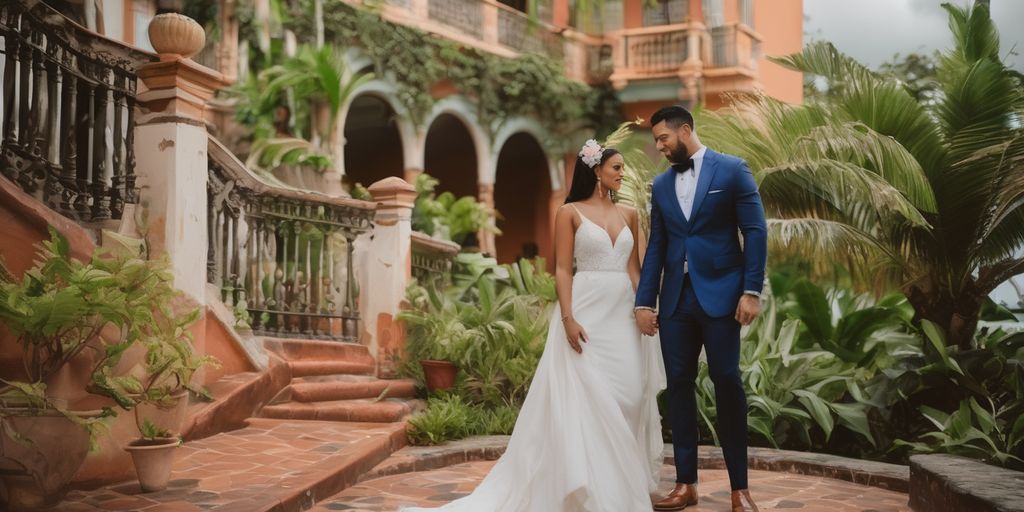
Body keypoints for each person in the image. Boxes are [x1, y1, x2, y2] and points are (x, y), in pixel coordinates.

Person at [402, 140, 665, 512]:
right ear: (596, 170)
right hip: (587, 311)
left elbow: (634, 268)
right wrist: (569, 319)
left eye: (622, 168)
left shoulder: (630, 213)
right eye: (617, 168)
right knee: (586, 399)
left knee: (630, 397)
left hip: (622, 312)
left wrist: (644, 306)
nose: (623, 174)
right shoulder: (569, 212)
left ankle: (620, 480)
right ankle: (594, 492)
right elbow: (561, 269)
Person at [634, 105, 767, 512]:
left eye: (663, 139)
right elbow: (657, 245)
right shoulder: (659, 186)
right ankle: (686, 484)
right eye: (657, 141)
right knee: (678, 386)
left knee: (727, 381)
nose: (659, 147)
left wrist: (751, 291)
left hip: (723, 296)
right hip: (676, 299)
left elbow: (755, 230)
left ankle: (739, 489)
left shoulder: (731, 170)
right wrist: (644, 300)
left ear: (685, 130)